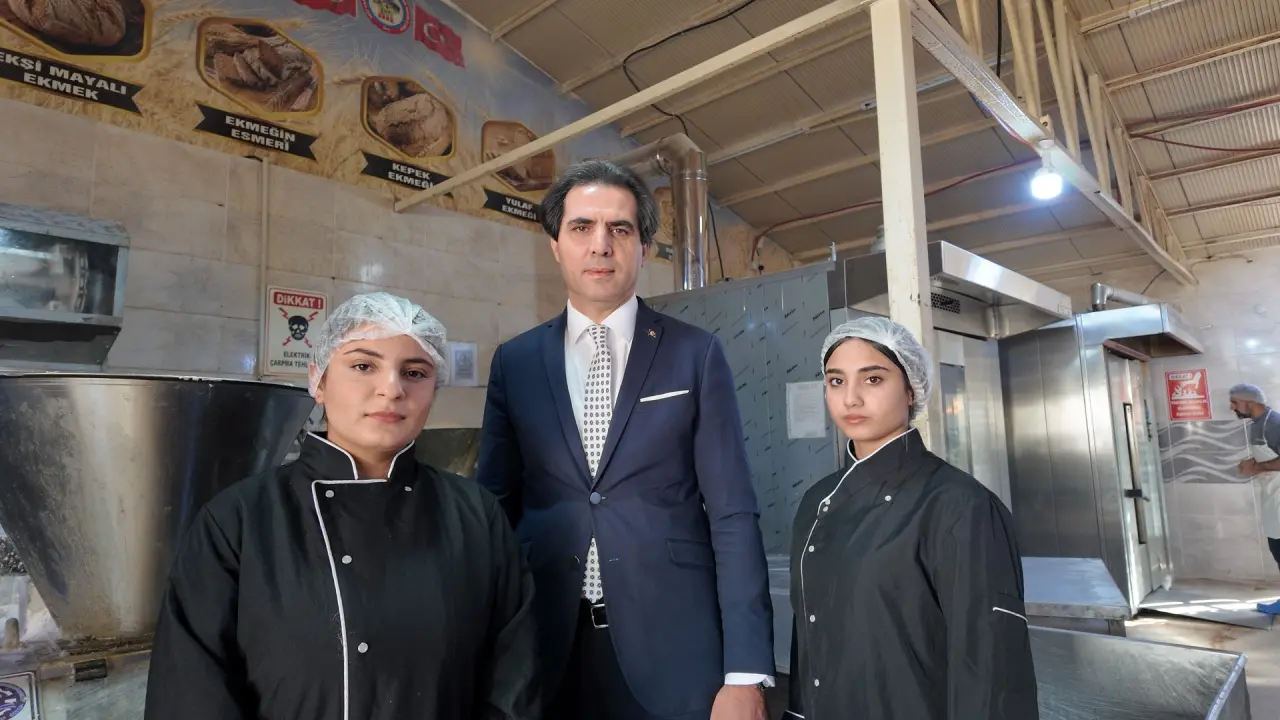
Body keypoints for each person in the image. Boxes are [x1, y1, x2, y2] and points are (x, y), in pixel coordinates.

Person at [145, 292, 539, 720]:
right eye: (363, 366)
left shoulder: (475, 516)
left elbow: (513, 683)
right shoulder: (237, 523)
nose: (392, 389)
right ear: (319, 380)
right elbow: (191, 694)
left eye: (415, 372)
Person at [476, 160, 774, 720]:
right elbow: (492, 509)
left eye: (620, 228)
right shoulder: (515, 362)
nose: (601, 244)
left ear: (644, 247)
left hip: (672, 649)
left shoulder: (695, 354)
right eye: (581, 227)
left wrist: (745, 672)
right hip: (544, 645)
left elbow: (732, 513)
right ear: (555, 245)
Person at [786, 316, 1039, 720]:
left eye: (872, 379)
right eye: (836, 381)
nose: (850, 398)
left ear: (911, 389)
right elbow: (808, 643)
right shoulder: (817, 501)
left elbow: (991, 669)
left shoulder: (960, 505)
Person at [1229, 384, 1280, 604]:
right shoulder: (1257, 424)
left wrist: (1256, 467)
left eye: (1235, 402)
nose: (1232, 407)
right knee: (1277, 549)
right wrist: (1252, 464)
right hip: (1272, 495)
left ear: (1250, 402)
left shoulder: (1274, 423)